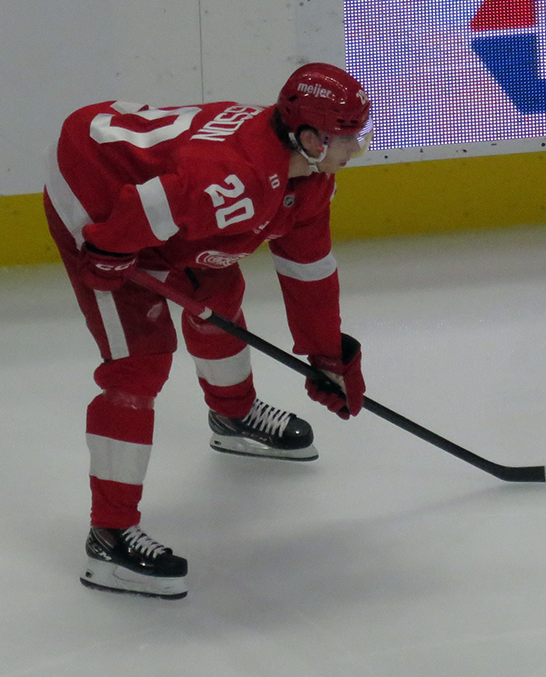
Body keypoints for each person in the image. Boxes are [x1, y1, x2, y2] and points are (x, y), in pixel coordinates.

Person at [43, 62, 371, 600]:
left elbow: (308, 269)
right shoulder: (234, 178)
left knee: (216, 293)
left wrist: (327, 353)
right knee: (138, 364)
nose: (356, 149)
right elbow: (150, 207)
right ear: (309, 138)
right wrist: (105, 250)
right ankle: (109, 536)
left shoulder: (305, 180)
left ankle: (233, 414)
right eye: (349, 138)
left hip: (160, 194)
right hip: (97, 181)